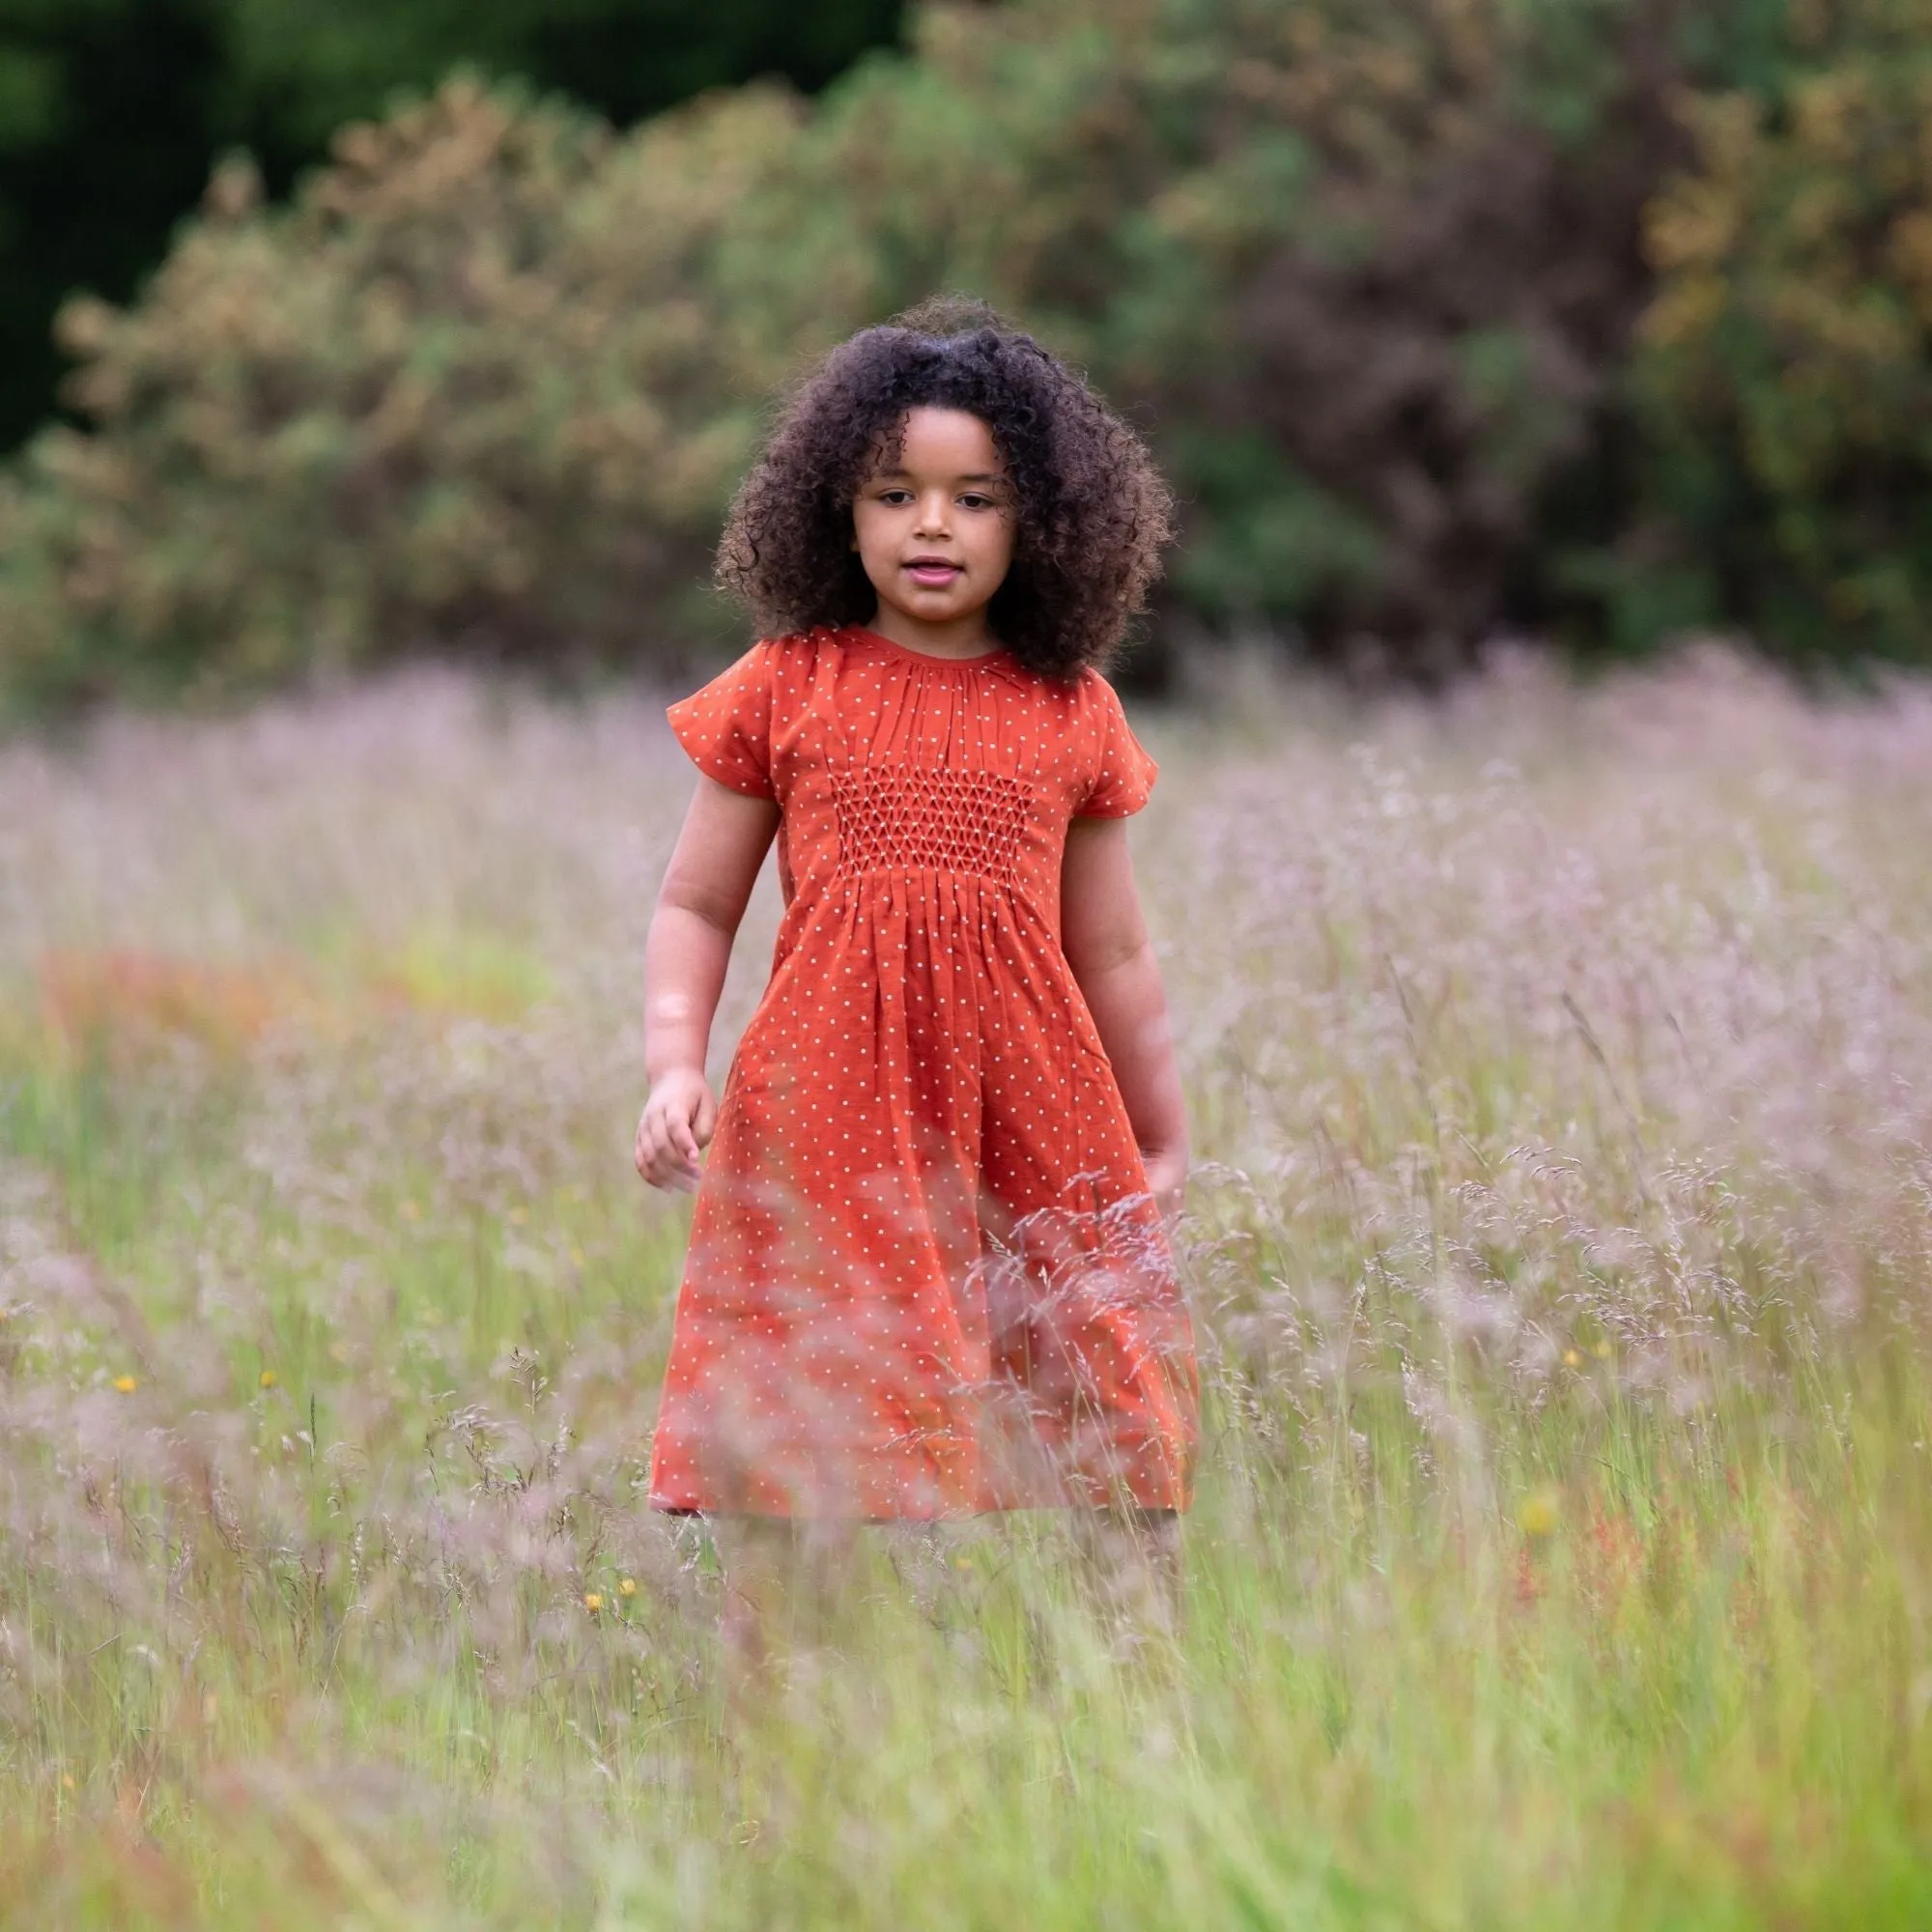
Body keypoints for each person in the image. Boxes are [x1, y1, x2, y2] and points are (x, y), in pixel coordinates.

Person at [633, 299, 1197, 1659]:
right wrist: (672, 1062)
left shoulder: (1072, 710)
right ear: (839, 510)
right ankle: (795, 1735)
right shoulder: (789, 684)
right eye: (896, 493)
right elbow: (695, 902)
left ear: (1043, 523)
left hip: (1037, 1108)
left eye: (973, 498)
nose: (931, 525)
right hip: (827, 1111)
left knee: (1109, 1410)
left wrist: (1162, 1130)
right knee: (810, 1410)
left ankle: (1135, 1723)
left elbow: (1111, 947)